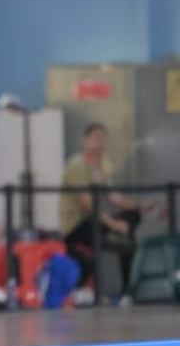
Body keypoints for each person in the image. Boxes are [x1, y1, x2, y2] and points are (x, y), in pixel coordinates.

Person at [59, 122, 156, 304]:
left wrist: (139, 206)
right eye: (96, 138)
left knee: (131, 222)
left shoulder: (103, 164)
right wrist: (113, 224)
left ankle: (126, 292)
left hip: (99, 221)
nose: (100, 143)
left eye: (103, 138)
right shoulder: (76, 166)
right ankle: (116, 235)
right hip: (77, 225)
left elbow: (112, 197)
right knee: (111, 229)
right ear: (85, 141)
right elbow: (88, 205)